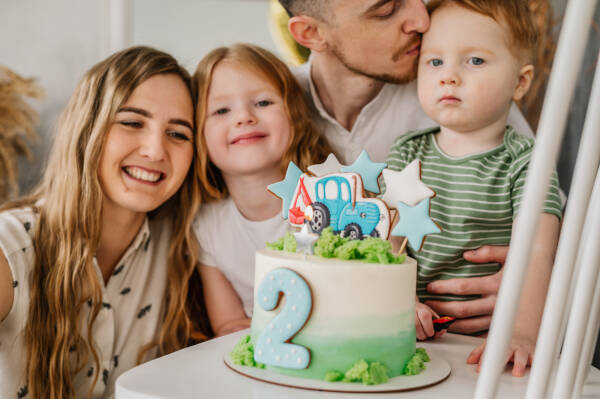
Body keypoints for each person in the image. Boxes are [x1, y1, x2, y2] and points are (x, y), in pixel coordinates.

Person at [278, 0, 532, 335]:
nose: (421, 19)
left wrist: (530, 282)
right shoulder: (266, 108)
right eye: (386, 10)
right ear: (310, 33)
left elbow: (557, 226)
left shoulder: (466, 93)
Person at [0, 46, 209, 399]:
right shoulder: (11, 248)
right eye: (131, 122)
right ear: (86, 129)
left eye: (178, 134)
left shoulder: (184, 247)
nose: (156, 150)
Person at [385, 0, 562, 376]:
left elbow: (538, 251)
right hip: (408, 335)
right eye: (435, 62)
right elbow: (388, 242)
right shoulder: (407, 152)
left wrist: (521, 331)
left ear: (520, 82)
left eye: (475, 61)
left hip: (488, 346)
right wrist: (398, 302)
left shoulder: (527, 161)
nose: (449, 76)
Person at [192, 43, 331, 336]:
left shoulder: (330, 200)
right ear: (198, 135)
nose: (244, 117)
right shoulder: (207, 226)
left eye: (263, 103)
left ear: (294, 114)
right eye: (221, 110)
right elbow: (228, 325)